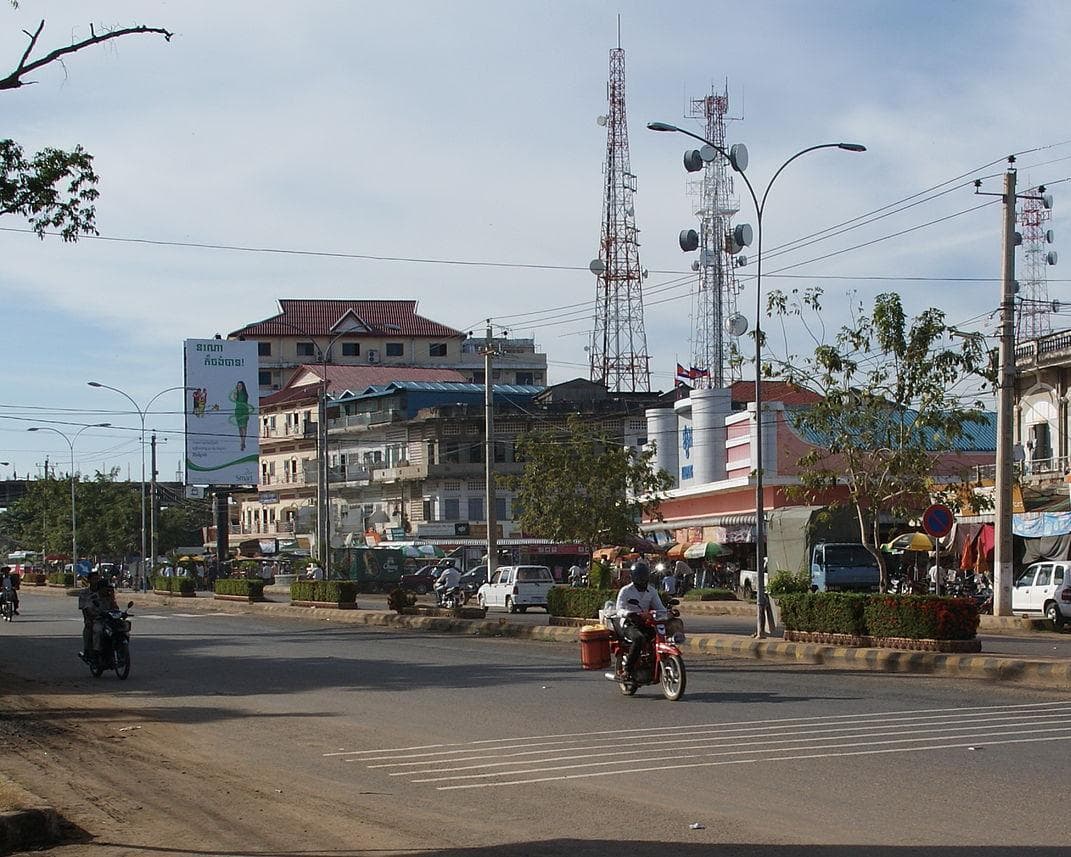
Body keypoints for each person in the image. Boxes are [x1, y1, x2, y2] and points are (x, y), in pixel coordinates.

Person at [614, 561, 666, 681]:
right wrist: (629, 613)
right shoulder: (625, 591)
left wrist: (667, 613)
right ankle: (627, 670)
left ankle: (650, 661)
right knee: (639, 639)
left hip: (645, 623)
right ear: (633, 577)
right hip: (629, 623)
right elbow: (619, 609)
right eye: (639, 577)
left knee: (657, 636)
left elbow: (660, 607)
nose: (642, 579)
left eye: (644, 576)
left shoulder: (652, 591)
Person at [78, 571, 101, 661]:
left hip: (105, 618)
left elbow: (112, 604)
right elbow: (84, 608)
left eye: (97, 579)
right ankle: (90, 652)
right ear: (89, 580)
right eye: (94, 579)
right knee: (92, 631)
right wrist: (88, 619)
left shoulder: (104, 591)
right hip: (92, 618)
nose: (96, 581)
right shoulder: (84, 593)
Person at [230, 380, 251, 451]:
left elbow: (245, 401)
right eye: (238, 385)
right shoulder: (236, 393)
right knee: (240, 427)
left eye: (240, 385)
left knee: (244, 427)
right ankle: (242, 441)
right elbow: (234, 398)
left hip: (244, 411)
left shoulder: (245, 394)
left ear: (243, 386)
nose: (239, 387)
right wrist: (235, 391)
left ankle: (243, 442)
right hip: (238, 411)